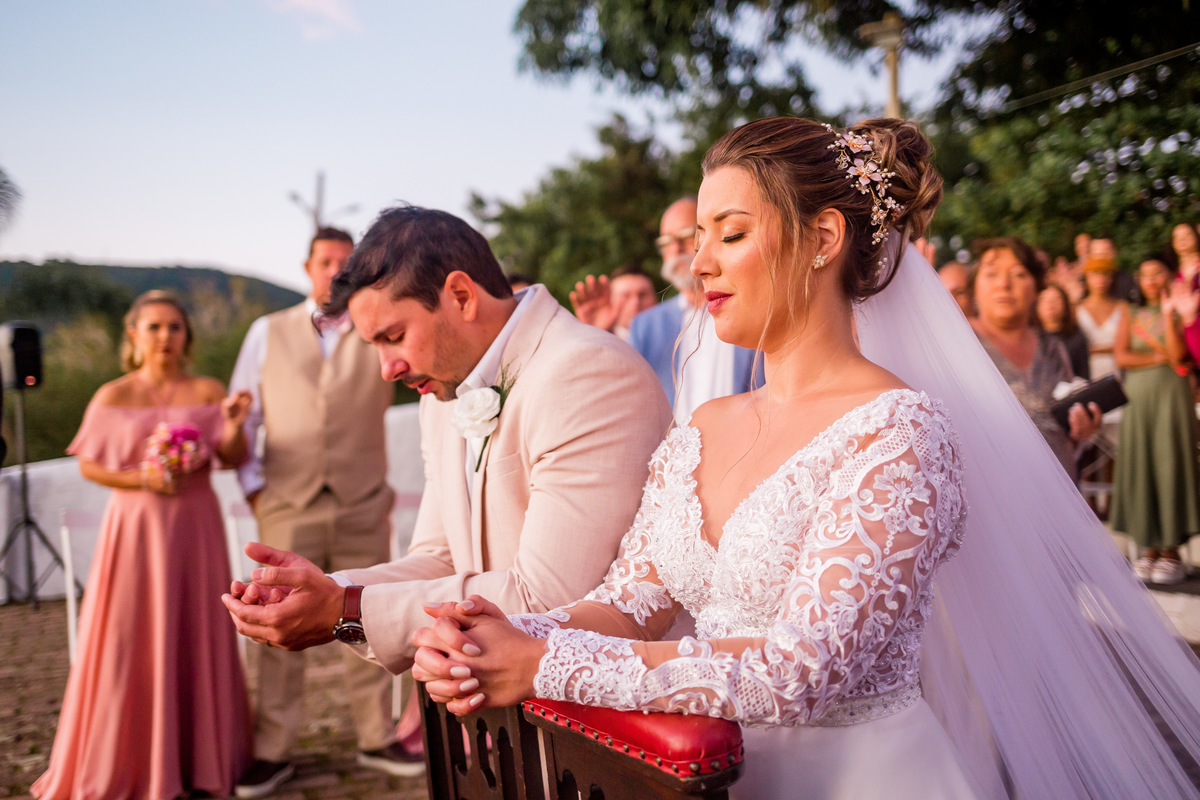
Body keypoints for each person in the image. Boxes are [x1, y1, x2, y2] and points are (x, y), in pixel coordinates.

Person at [414, 117, 1200, 800]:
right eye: (697, 242)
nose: (701, 266)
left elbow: (801, 671)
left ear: (823, 238)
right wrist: (504, 628)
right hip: (693, 779)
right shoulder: (705, 424)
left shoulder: (897, 434)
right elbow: (626, 605)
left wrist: (543, 665)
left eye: (730, 233)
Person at [221, 205, 672, 705]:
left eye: (393, 337)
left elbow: (548, 600)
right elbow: (438, 558)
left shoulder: (586, 372)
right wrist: (325, 590)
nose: (387, 368)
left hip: (603, 707)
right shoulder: (441, 392)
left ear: (461, 295)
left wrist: (345, 610)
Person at [33, 290, 252, 800]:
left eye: (174, 327)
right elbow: (88, 464)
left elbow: (231, 455)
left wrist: (236, 424)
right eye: (153, 327)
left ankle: (201, 760)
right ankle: (127, 761)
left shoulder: (207, 388)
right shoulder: (112, 394)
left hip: (196, 528)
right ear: (133, 335)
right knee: (128, 636)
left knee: (197, 626)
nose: (165, 337)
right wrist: (142, 480)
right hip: (134, 530)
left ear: (186, 337)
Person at [228, 227, 407, 796]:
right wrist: (257, 492)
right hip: (287, 503)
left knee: (365, 615)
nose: (333, 270)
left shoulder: (378, 327)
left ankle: (377, 735)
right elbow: (243, 420)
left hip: (361, 501)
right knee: (277, 624)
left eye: (343, 262)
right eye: (325, 261)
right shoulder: (267, 331)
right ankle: (272, 749)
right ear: (307, 267)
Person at [970, 237, 1101, 478]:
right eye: (991, 274)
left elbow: (1067, 413)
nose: (1003, 284)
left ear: (1037, 288)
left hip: (1057, 483)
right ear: (975, 287)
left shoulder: (1051, 347)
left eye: (1018, 274)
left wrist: (1081, 426)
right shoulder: (961, 342)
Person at [629, 197, 761, 421]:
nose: (676, 249)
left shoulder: (752, 307)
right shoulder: (646, 326)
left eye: (685, 236)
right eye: (666, 242)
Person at [1111, 259, 1200, 585]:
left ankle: (1171, 550)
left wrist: (1167, 316)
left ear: (1168, 277)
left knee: (1171, 461)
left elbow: (1180, 357)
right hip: (1138, 398)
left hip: (1172, 397)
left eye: (1157, 273)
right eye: (1144, 274)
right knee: (1143, 463)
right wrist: (1156, 357)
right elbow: (1122, 356)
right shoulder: (1128, 312)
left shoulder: (1181, 311)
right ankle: (1148, 548)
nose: (1150, 280)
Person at [568, 264, 659, 340]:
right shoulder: (599, 338)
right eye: (625, 296)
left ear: (656, 299)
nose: (635, 303)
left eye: (642, 295)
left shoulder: (672, 339)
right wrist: (594, 335)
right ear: (610, 301)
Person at [1076, 255, 1127, 380]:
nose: (1100, 279)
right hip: (1086, 371)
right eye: (1095, 274)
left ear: (1111, 278)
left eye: (1105, 274)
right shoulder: (1075, 309)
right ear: (1086, 278)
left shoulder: (1123, 307)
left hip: (1119, 369)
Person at [1036, 283, 1090, 379]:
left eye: (1056, 299)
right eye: (1044, 299)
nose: (1050, 304)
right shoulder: (1031, 340)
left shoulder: (1076, 338)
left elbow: (1084, 376)